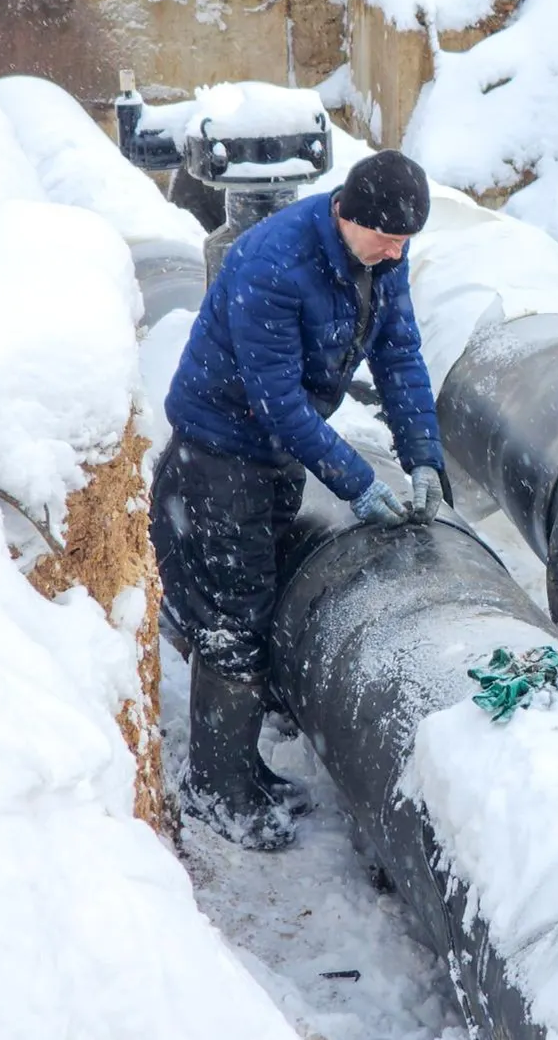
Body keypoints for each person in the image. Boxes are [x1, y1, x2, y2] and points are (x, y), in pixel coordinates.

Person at [151, 150, 446, 850]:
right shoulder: (274, 265)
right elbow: (278, 404)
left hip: (271, 457)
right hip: (219, 458)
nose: (396, 252)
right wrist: (359, 481)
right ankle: (217, 792)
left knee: (254, 601)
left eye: (407, 242)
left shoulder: (379, 259)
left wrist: (424, 458)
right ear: (347, 211)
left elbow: (399, 354)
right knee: (233, 618)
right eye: (387, 237)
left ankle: (236, 766)